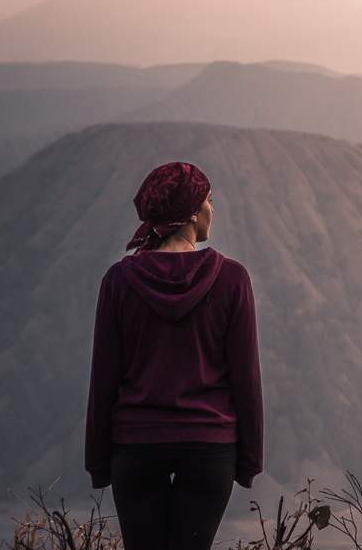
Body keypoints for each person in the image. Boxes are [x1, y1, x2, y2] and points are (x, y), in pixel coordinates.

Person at [85, 161, 264, 550]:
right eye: (209, 201)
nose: (213, 210)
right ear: (193, 212)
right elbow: (246, 378)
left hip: (135, 447)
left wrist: (99, 461)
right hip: (209, 446)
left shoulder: (118, 280)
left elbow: (103, 378)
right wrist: (249, 459)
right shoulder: (233, 280)